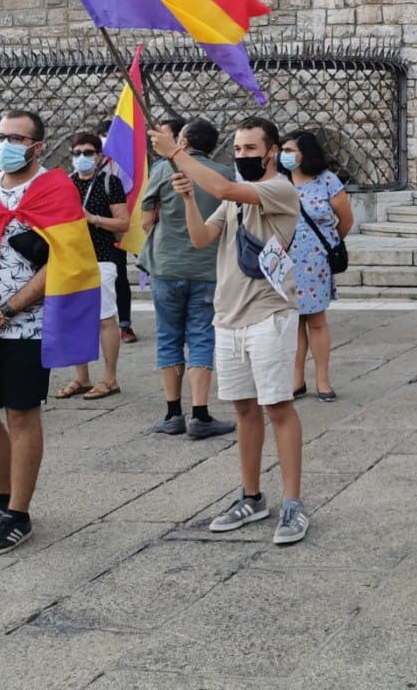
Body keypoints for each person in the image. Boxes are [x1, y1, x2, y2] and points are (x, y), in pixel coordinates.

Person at [150, 116, 309, 546]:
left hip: (269, 313)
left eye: (251, 149)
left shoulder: (279, 189)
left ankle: (293, 503)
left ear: (271, 152)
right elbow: (202, 239)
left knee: (278, 408)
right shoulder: (234, 201)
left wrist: (175, 152)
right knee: (243, 410)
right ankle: (251, 496)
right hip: (228, 316)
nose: (242, 156)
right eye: (237, 150)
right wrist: (186, 198)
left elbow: (221, 187)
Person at [0, 109, 73, 557]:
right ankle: (1, 495)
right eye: (1, 135)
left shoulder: (55, 189)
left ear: (37, 146)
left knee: (21, 415)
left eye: (17, 138)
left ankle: (18, 513)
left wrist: (5, 309)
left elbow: (63, 262)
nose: (5, 144)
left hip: (29, 323)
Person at [139, 116, 234, 440]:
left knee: (168, 336)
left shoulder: (164, 170)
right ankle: (200, 413)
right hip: (208, 267)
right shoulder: (223, 175)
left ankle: (172, 412)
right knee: (202, 338)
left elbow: (145, 218)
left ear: (184, 143)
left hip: (167, 265)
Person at [281, 129, 353, 402]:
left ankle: (323, 379)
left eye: (290, 150)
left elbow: (345, 219)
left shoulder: (327, 181)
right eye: (283, 151)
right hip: (285, 261)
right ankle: (296, 379)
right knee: (294, 322)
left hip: (316, 260)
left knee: (316, 319)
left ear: (305, 153)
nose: (285, 156)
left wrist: (328, 244)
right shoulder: (279, 181)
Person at [54, 131, 127, 402]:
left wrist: (92, 218)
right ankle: (81, 377)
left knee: (105, 319)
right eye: (77, 153)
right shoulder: (66, 183)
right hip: (71, 259)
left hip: (101, 257)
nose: (81, 158)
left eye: (87, 153)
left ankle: (110, 378)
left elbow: (123, 223)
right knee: (75, 320)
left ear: (99, 156)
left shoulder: (110, 182)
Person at [96, 117, 137, 343]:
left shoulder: (124, 163)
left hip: (116, 227)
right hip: (91, 232)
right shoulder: (89, 162)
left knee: (120, 276)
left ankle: (124, 324)